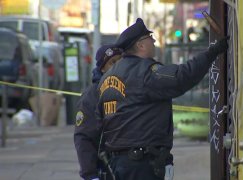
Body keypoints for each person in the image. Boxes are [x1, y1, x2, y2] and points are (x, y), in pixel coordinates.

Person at [96, 18, 229, 180]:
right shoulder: (145, 72)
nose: (154, 40)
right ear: (140, 45)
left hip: (117, 163)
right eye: (150, 38)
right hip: (141, 164)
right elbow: (181, 77)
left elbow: (98, 122)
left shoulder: (106, 79)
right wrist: (211, 53)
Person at [74, 44, 123, 180]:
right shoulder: (93, 95)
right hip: (107, 168)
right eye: (113, 62)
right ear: (102, 68)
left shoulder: (132, 88)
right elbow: (84, 137)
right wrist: (90, 175)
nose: (118, 66)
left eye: (121, 61)